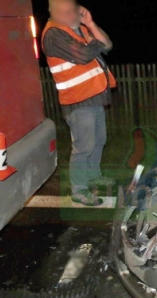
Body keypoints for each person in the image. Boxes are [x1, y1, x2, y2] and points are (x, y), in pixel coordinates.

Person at [42, 0, 116, 206]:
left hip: (95, 96)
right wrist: (93, 41)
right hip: (77, 100)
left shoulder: (80, 29)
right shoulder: (54, 34)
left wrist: (91, 25)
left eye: (72, 11)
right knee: (83, 147)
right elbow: (83, 55)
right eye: (63, 12)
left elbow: (108, 45)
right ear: (52, 13)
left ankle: (93, 176)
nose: (69, 16)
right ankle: (79, 190)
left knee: (99, 140)